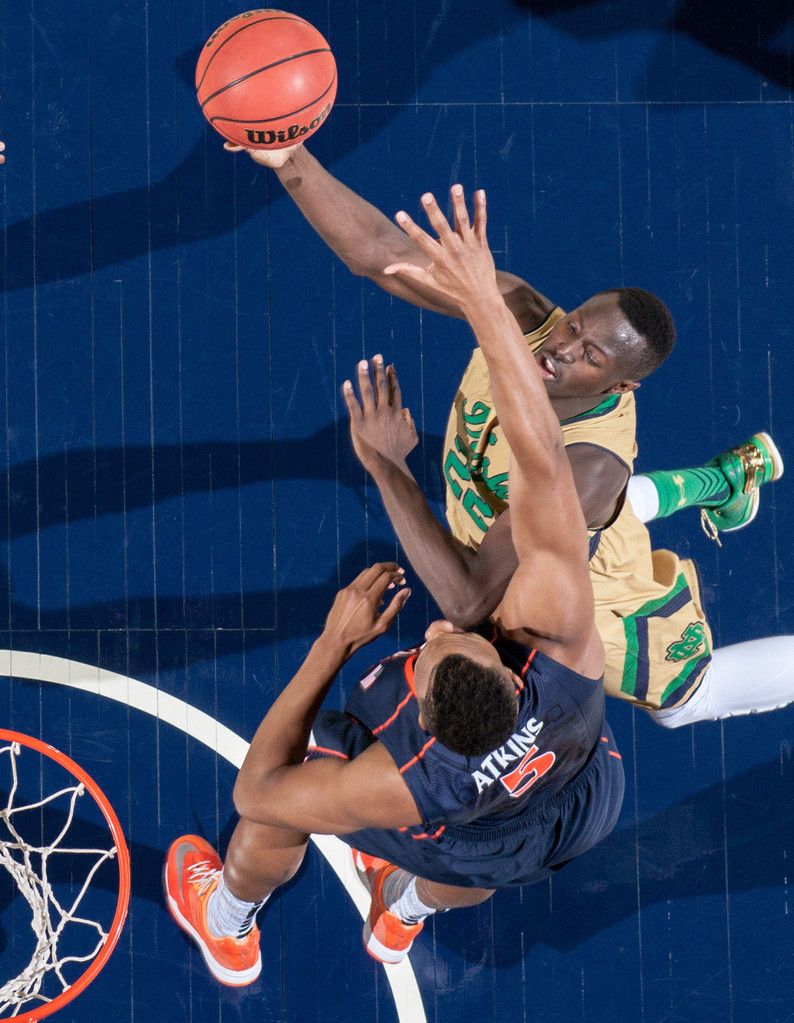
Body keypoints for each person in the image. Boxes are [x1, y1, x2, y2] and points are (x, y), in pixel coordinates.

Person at [164, 190, 625, 986]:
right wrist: (486, 300)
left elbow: (259, 789)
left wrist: (331, 645)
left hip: (463, 814)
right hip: (575, 807)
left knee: (282, 813)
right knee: (491, 860)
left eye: (438, 646)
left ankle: (228, 923)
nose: (446, 630)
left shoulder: (404, 777)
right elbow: (542, 461)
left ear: (420, 721)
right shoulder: (569, 644)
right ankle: (404, 910)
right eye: (467, 647)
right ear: (516, 683)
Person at [225, 140, 781, 537]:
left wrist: (388, 468)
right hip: (558, 505)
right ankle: (723, 480)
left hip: (600, 599)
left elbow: (471, 600)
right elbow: (379, 253)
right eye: (574, 324)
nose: (561, 346)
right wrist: (287, 155)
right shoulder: (520, 313)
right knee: (606, 505)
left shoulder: (588, 463)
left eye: (590, 355)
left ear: (624, 386)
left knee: (682, 704)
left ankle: (717, 483)